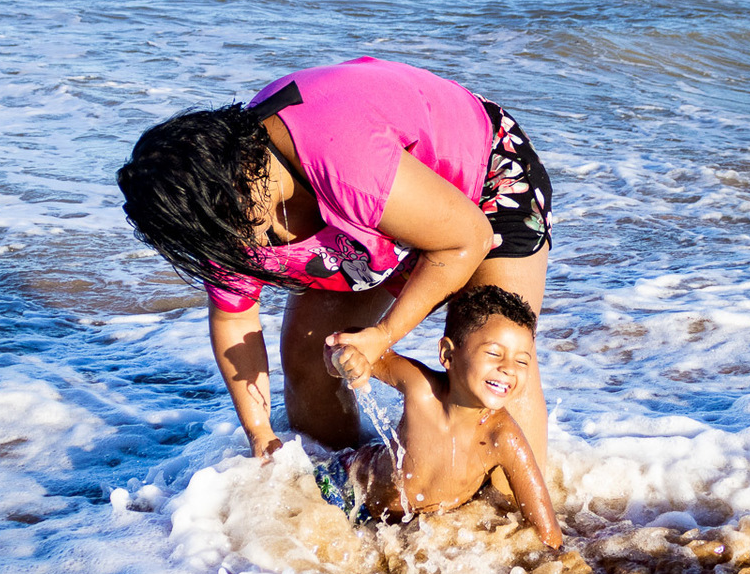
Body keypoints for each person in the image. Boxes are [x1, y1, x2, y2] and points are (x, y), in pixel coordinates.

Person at [116, 57, 553, 472]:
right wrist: (260, 433)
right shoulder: (213, 213)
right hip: (376, 216)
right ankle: (349, 485)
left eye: (227, 228)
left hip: (482, 179)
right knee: (310, 355)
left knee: (492, 358)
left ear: (244, 176)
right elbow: (235, 320)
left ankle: (516, 524)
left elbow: (466, 238)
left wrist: (382, 337)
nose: (228, 246)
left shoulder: (342, 160)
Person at [321, 286, 562, 550]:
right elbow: (348, 345)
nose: (508, 369)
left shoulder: (502, 437)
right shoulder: (421, 387)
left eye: (522, 361)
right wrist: (345, 359)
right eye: (494, 353)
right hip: (346, 488)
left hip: (407, 528)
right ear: (448, 354)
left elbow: (546, 530)